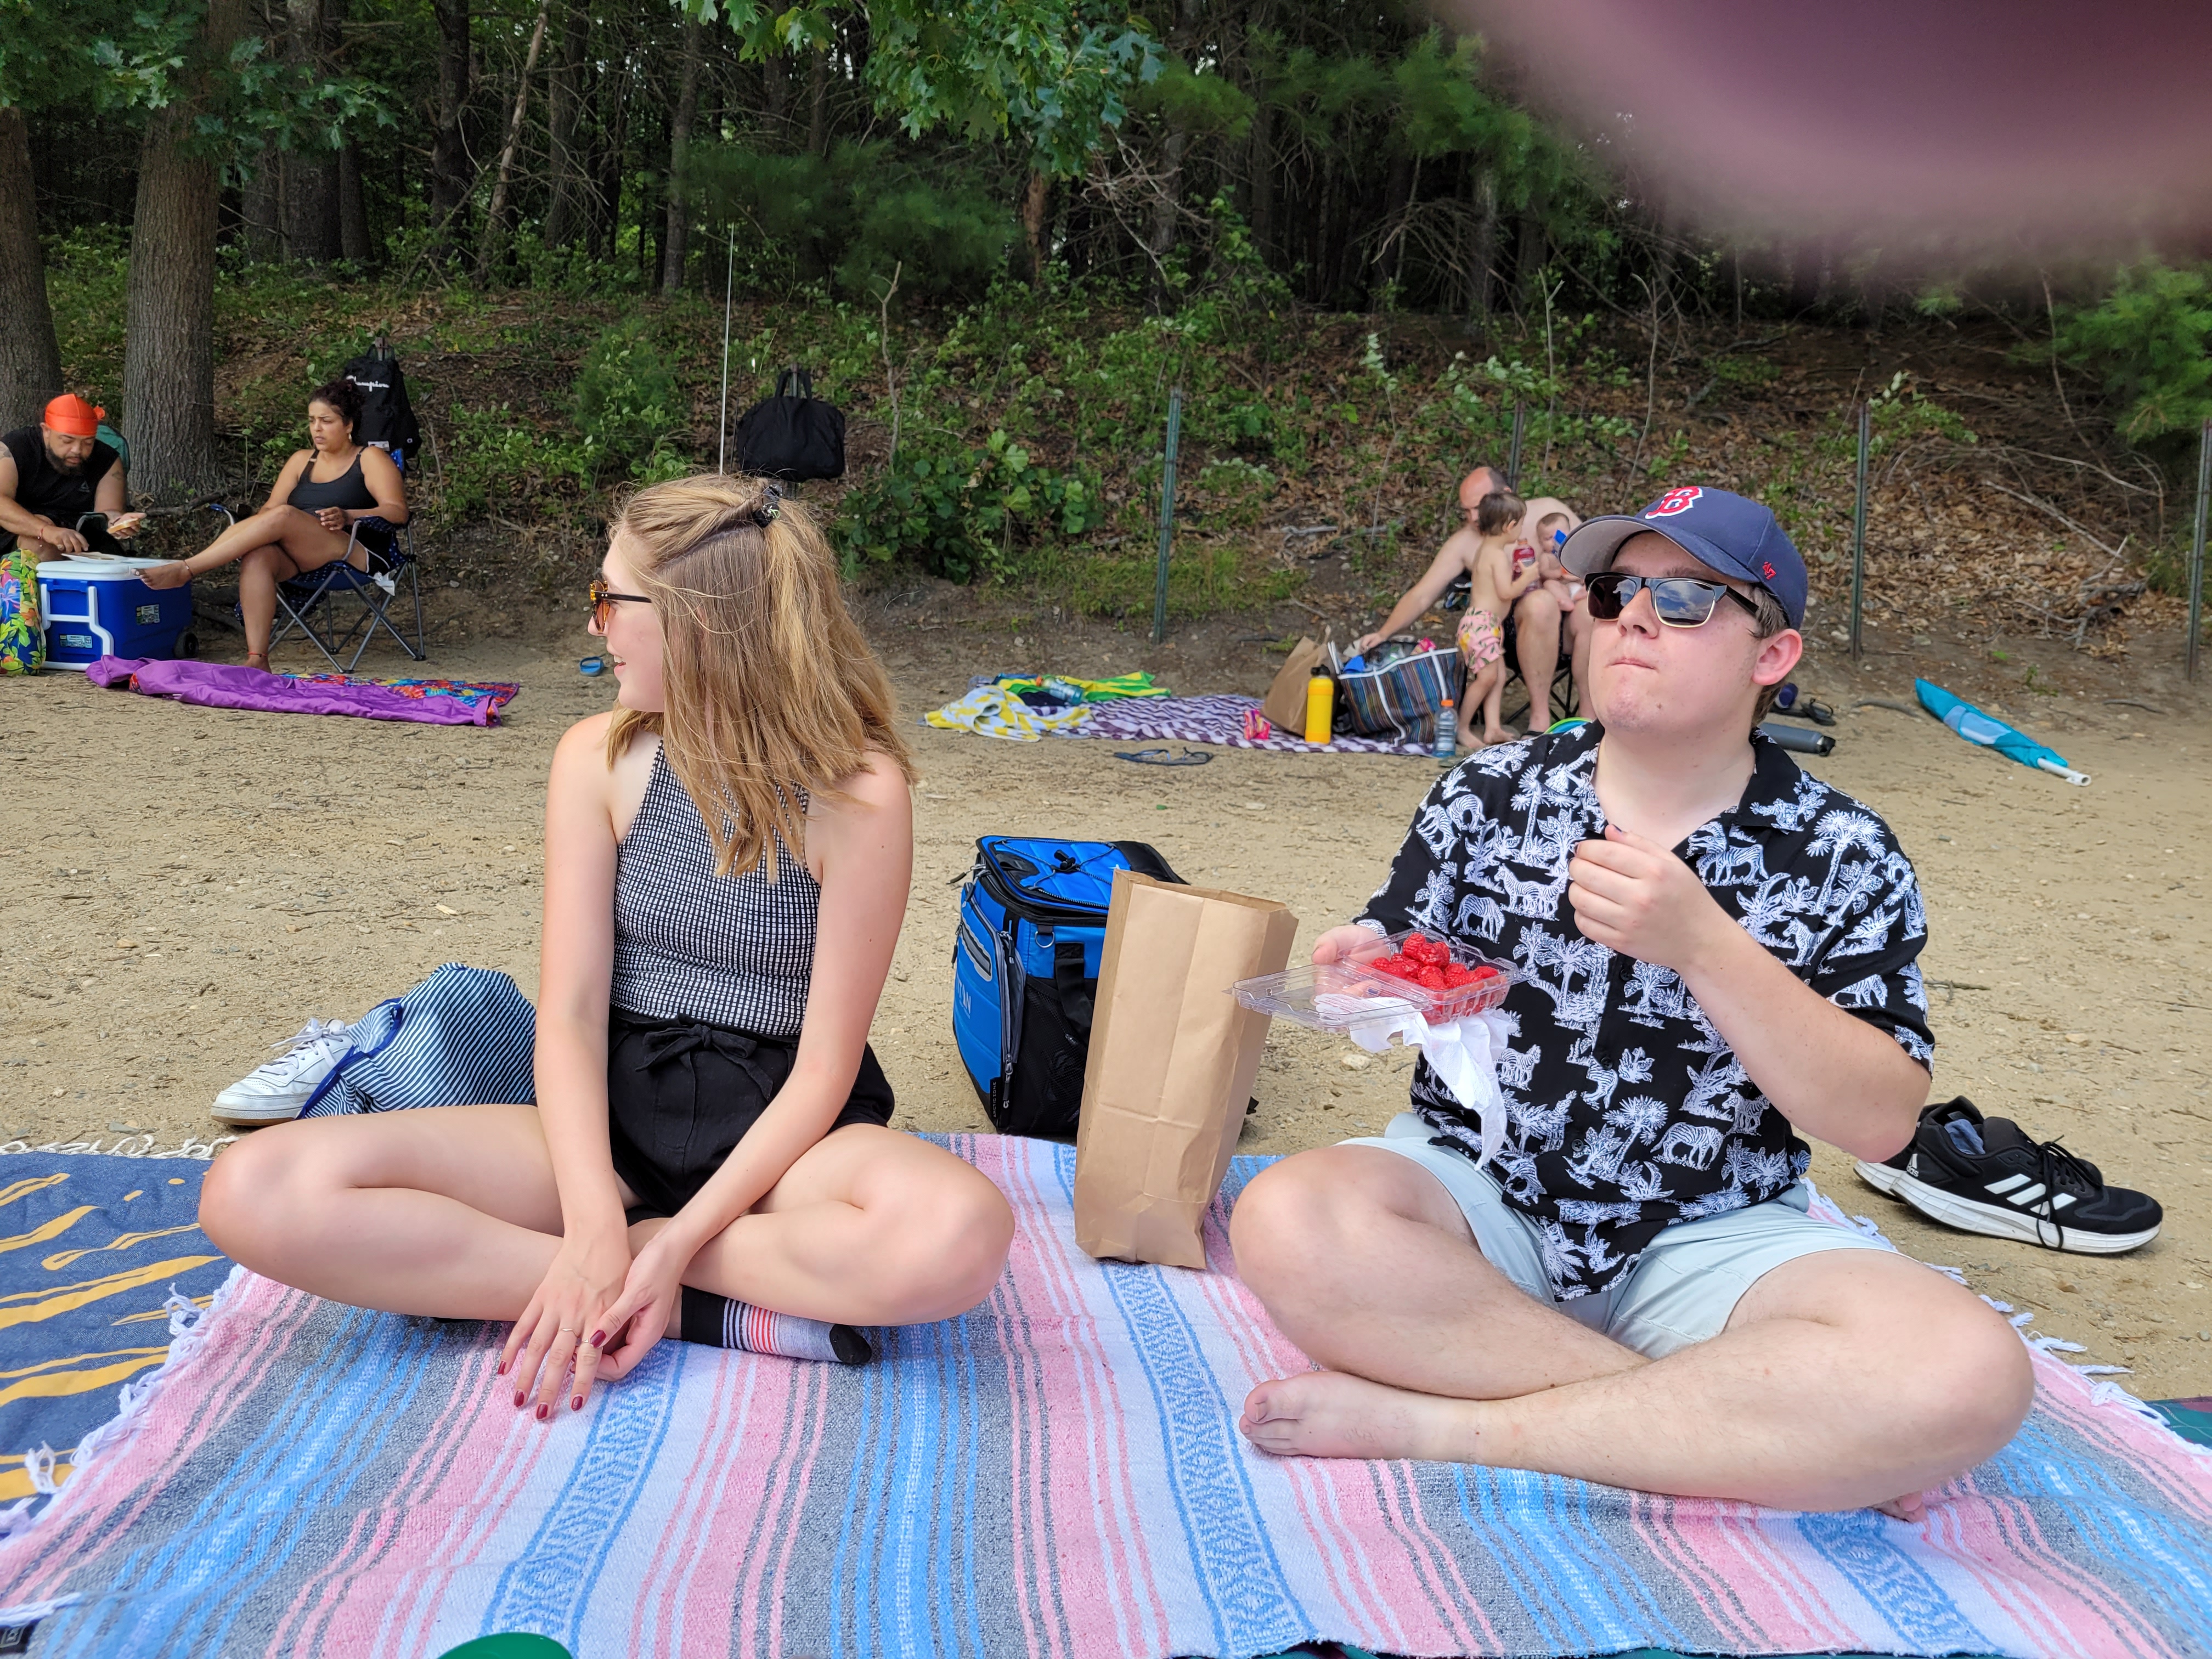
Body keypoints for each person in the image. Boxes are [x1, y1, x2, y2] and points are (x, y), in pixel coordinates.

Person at [1230, 485, 2032, 1518]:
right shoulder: (1491, 790)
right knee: (1290, 1216)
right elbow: (1405, 945)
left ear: (1772, 655)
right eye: (1613, 592)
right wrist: (1370, 962)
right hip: (1475, 1201)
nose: (1633, 619)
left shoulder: (1842, 850)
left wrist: (1705, 945)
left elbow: (1879, 1122)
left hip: (1715, 1235)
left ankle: (1442, 1423)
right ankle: (1717, 1422)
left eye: (1685, 599)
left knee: (1964, 1369)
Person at [199, 475, 1015, 1410]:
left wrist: (671, 1240)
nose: (592, 624)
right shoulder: (597, 757)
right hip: (612, 1110)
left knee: (958, 1234)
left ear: (698, 623)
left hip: (786, 1134)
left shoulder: (859, 790)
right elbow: (573, 1012)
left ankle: (640, 1272)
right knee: (253, 1188)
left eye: (608, 597)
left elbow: (827, 1065)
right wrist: (592, 1222)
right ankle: (674, 1303)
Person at [141, 380, 405, 671]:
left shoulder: (369, 458)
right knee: (258, 556)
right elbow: (269, 510)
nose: (316, 429)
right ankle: (258, 659)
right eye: (312, 421)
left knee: (285, 516)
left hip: (352, 550)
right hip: (299, 554)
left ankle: (187, 569)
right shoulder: (301, 461)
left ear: (349, 425)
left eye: (326, 421)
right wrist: (260, 532)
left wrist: (348, 515)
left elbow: (397, 512)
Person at [1357, 465, 1582, 724]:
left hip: (1565, 625)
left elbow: (1593, 559)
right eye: (1466, 510)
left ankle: (1591, 722)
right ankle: (1538, 719)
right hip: (1507, 634)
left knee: (1590, 613)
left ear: (1505, 494)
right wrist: (1383, 634)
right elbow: (1422, 595)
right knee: (1540, 604)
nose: (1474, 517)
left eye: (1479, 506)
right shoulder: (1465, 543)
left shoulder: (1549, 513)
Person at [1444, 489, 1539, 747]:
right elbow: (1506, 592)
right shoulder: (1497, 556)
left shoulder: (1486, 550)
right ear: (1509, 526)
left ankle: (1493, 729)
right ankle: (1462, 728)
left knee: (1497, 677)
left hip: (1487, 626)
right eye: (1520, 524)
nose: (1521, 529)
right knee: (1486, 678)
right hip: (1481, 626)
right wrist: (1528, 577)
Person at [0, 394, 144, 558]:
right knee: (40, 540)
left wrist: (118, 523)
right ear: (46, 431)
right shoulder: (15, 448)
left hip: (82, 537)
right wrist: (46, 530)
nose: (77, 450)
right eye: (68, 441)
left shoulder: (107, 459)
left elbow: (108, 512)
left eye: (88, 442)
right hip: (20, 532)